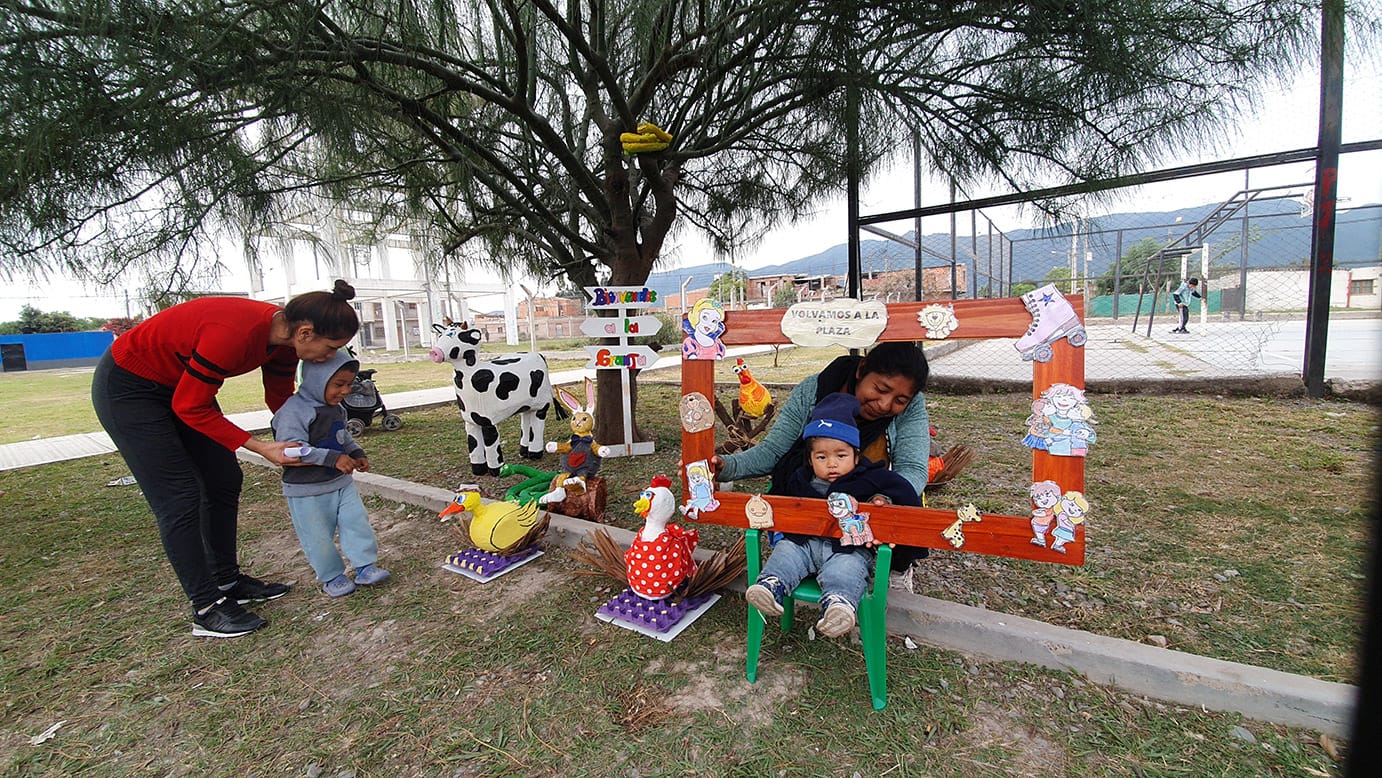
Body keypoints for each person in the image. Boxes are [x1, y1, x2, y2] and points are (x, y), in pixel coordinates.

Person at [91, 280, 360, 638]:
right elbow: (190, 406)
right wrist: (260, 446)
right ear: (306, 332)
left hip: (179, 387)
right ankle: (205, 607)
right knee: (179, 495)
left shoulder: (286, 343)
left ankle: (227, 581)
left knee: (223, 479)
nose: (329, 358)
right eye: (329, 349)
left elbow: (279, 396)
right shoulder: (232, 334)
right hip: (130, 388)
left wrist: (303, 439)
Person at [709, 341, 930, 570]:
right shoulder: (814, 390)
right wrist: (725, 467)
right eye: (881, 389)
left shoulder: (911, 408)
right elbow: (773, 451)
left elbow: (912, 469)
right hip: (810, 503)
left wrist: (886, 500)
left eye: (900, 401)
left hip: (870, 512)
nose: (885, 404)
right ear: (861, 369)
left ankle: (886, 568)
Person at [744, 393, 922, 637]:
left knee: (847, 568)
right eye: (821, 457)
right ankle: (771, 585)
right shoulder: (799, 478)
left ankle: (838, 605)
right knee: (785, 552)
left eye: (841, 455)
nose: (832, 464)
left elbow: (902, 494)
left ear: (856, 456)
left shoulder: (871, 478)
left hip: (847, 548)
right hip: (803, 544)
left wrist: (883, 501)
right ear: (810, 458)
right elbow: (779, 500)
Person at [272, 350, 390, 598]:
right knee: (318, 536)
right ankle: (331, 576)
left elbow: (341, 435)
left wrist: (355, 451)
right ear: (316, 379)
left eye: (349, 384)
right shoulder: (293, 411)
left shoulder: (334, 407)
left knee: (356, 523)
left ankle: (365, 566)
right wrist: (333, 458)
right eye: (339, 384)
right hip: (307, 491)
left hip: (341, 484)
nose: (346, 391)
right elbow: (291, 451)